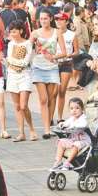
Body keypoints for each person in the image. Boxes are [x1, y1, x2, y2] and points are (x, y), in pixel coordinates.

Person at [29, 9, 66, 139]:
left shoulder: (57, 32)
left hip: (52, 68)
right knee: (43, 99)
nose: (43, 21)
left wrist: (54, 57)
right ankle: (46, 130)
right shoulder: (35, 33)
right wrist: (32, 43)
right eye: (41, 19)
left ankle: (49, 126)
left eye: (45, 18)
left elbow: (64, 52)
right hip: (38, 67)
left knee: (51, 98)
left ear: (50, 19)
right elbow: (28, 49)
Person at [5, 20, 38, 142]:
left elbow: (25, 62)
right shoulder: (10, 44)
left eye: (14, 31)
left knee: (24, 105)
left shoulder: (28, 44)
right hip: (12, 76)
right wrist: (11, 61)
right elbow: (8, 60)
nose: (12, 34)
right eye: (11, 32)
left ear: (21, 31)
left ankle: (32, 129)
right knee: (17, 106)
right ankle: (21, 133)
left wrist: (11, 61)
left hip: (25, 76)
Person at [51, 98, 91, 171]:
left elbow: (84, 124)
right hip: (73, 139)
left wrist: (73, 127)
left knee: (76, 145)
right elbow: (66, 123)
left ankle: (67, 162)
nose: (74, 110)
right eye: (72, 108)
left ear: (82, 109)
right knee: (61, 142)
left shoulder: (83, 118)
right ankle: (58, 161)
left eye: (77, 108)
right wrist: (62, 124)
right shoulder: (72, 118)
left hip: (83, 140)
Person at [54, 12, 78, 123]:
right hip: (53, 64)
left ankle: (59, 117)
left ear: (67, 22)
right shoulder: (52, 33)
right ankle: (50, 116)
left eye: (61, 20)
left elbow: (76, 51)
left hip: (66, 63)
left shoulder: (72, 35)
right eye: (57, 19)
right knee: (53, 92)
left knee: (62, 91)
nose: (58, 21)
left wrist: (69, 55)